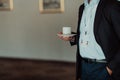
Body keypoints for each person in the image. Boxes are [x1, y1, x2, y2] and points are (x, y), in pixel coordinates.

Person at [58, 0, 120, 80]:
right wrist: (72, 37)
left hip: (104, 68)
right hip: (84, 67)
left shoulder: (112, 5)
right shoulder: (82, 7)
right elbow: (89, 36)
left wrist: (110, 69)